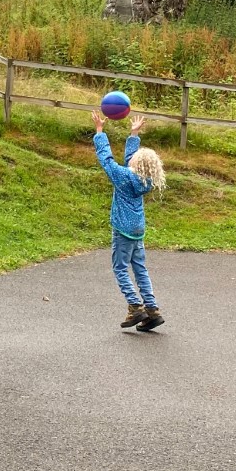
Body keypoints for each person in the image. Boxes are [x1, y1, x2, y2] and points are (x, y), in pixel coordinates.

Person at [92, 111, 168, 331]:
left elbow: (107, 160)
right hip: (137, 230)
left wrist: (99, 132)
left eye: (135, 156)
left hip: (123, 230)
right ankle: (152, 310)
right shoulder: (143, 179)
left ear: (137, 165)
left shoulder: (124, 177)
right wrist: (134, 134)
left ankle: (135, 306)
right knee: (140, 268)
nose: (132, 157)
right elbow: (129, 160)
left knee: (120, 268)